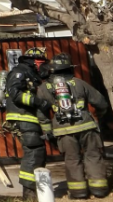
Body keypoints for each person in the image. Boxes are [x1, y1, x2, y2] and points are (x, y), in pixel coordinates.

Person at [37, 53, 110, 199]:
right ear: (69, 68)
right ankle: (99, 190)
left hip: (63, 131)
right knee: (93, 156)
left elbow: (41, 113)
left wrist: (48, 131)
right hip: (87, 127)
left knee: (72, 160)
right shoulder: (79, 83)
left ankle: (78, 192)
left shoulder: (44, 88)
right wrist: (100, 116)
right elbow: (101, 101)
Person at [3, 46, 52, 201]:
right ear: (34, 61)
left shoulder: (31, 74)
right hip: (23, 118)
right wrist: (38, 102)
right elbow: (15, 93)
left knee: (38, 152)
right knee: (33, 152)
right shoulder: (20, 72)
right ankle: (29, 195)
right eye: (41, 62)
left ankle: (35, 191)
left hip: (29, 119)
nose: (43, 67)